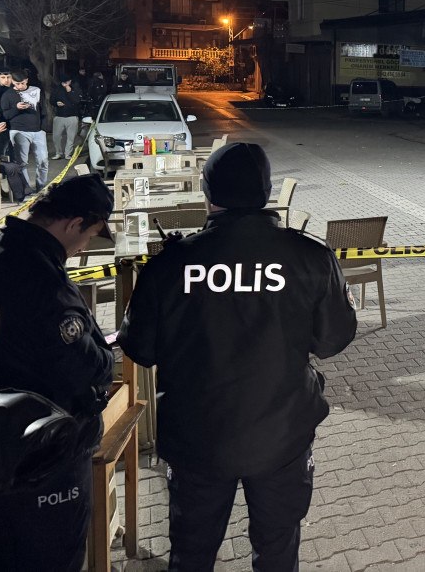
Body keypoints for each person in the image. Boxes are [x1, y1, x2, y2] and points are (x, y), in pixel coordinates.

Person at [118, 143, 357, 571]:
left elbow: (139, 348)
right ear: (266, 191)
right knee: (277, 549)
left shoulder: (172, 264)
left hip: (197, 436)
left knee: (191, 553)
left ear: (208, 193)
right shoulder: (310, 257)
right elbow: (332, 341)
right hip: (281, 434)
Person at [0, 175, 115, 570]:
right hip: (45, 449)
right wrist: (106, 361)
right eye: (89, 236)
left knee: (4, 547)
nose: (83, 247)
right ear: (75, 223)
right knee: (51, 555)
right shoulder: (40, 277)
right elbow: (83, 366)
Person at [1, 71, 48, 194]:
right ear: (12, 81)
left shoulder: (36, 90)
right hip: (18, 131)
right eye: (17, 84)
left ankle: (41, 186)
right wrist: (16, 108)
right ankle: (26, 188)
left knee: (43, 161)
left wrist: (43, 128)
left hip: (38, 131)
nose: (20, 86)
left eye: (22, 83)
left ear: (26, 80)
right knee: (22, 163)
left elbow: (43, 110)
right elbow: (5, 115)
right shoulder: (7, 95)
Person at [50, 75, 83, 160]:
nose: (67, 83)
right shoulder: (57, 89)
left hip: (72, 116)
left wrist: (70, 92)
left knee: (71, 137)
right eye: (65, 82)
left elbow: (77, 100)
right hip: (59, 116)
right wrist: (56, 103)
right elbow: (51, 100)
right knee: (56, 137)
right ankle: (58, 153)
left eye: (68, 81)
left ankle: (68, 154)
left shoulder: (75, 88)